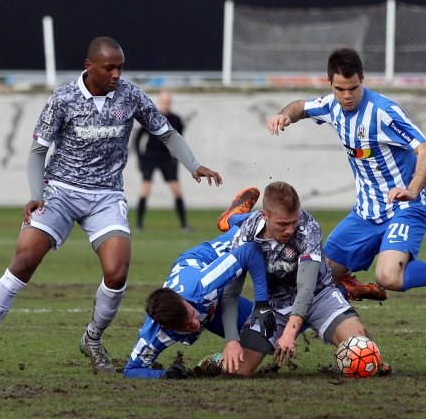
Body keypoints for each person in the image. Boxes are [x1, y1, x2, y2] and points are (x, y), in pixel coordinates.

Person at [0, 36, 222, 377]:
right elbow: (37, 152)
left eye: (120, 67)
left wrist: (194, 165)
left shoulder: (131, 96)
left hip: (105, 196)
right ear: (89, 66)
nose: (117, 74)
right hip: (59, 191)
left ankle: (92, 338)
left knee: (117, 272)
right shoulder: (62, 98)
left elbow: (167, 134)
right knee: (23, 261)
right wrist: (36, 193)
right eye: (109, 67)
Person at [266, 48, 426, 312]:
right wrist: (284, 116)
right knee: (315, 278)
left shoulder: (383, 113)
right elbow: (300, 107)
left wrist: (412, 189)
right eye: (340, 89)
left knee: (389, 277)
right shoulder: (331, 106)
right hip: (364, 215)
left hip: (403, 209)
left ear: (362, 78)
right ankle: (349, 286)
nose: (347, 96)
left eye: (353, 88)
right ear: (330, 83)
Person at [218, 182, 383, 377]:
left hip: (318, 296)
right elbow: (231, 292)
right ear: (265, 216)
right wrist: (231, 340)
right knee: (235, 371)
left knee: (361, 352)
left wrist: (290, 331)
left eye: (293, 222)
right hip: (273, 307)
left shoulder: (307, 226)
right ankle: (216, 360)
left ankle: (344, 295)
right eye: (282, 224)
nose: (289, 229)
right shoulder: (246, 234)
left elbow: (306, 287)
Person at [123, 188, 267, 379]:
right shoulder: (155, 333)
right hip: (209, 304)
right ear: (166, 325)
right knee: (265, 333)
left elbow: (249, 251)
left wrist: (263, 305)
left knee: (263, 226)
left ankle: (233, 218)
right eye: (186, 325)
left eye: (191, 315)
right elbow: (131, 370)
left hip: (207, 260)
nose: (195, 323)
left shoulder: (203, 288)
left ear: (185, 303)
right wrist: (165, 375)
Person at [133, 90, 192, 232]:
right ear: (159, 101)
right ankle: (139, 225)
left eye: (168, 101)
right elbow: (137, 139)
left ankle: (184, 225)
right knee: (145, 190)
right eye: (163, 100)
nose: (166, 103)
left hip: (167, 159)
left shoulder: (176, 119)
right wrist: (140, 159)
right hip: (150, 157)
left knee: (177, 191)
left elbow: (179, 141)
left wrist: (178, 160)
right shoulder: (151, 116)